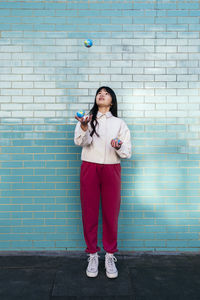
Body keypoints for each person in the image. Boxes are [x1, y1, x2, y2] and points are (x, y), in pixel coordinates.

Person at [74, 86, 132, 279]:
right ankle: (92, 255)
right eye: (99, 92)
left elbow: (127, 152)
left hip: (111, 169)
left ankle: (109, 255)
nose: (102, 95)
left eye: (106, 93)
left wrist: (119, 146)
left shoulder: (119, 123)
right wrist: (83, 127)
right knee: (89, 211)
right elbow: (80, 142)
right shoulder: (87, 119)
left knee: (111, 212)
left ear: (112, 101)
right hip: (89, 167)